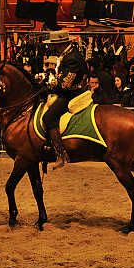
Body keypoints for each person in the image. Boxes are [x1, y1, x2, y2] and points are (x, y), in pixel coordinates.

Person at [40, 30, 89, 169]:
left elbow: (65, 84)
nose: (53, 48)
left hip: (72, 94)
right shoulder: (67, 55)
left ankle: (60, 154)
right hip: (67, 91)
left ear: (61, 44)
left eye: (54, 45)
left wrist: (48, 84)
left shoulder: (72, 58)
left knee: (49, 117)